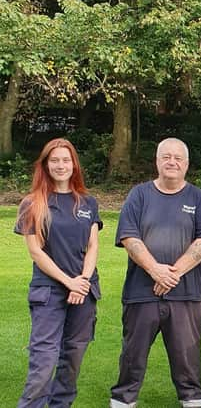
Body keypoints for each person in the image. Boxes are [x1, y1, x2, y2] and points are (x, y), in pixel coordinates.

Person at [110, 138, 201, 408]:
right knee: (132, 355)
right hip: (141, 292)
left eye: (178, 158)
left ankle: (192, 400)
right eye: (166, 157)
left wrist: (172, 274)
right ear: (157, 161)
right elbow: (128, 237)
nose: (172, 162)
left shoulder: (199, 198)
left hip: (186, 295)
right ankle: (123, 401)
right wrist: (154, 270)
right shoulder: (139, 195)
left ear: (186, 164)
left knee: (187, 357)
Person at [15, 138, 102, 408]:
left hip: (83, 292)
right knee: (43, 362)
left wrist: (83, 282)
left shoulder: (87, 202)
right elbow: (37, 253)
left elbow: (92, 246)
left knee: (72, 360)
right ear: (45, 165)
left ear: (74, 164)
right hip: (50, 292)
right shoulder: (32, 203)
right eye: (55, 160)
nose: (61, 165)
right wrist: (69, 283)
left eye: (66, 160)